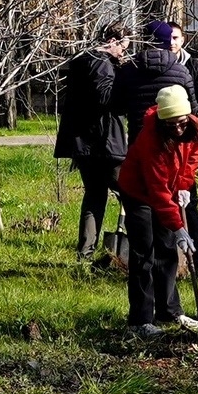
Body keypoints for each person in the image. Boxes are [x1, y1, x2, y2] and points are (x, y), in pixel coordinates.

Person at [117, 84, 198, 335]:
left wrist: (185, 185)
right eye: (171, 125)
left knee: (166, 251)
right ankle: (140, 321)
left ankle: (169, 311)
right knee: (144, 252)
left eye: (181, 123)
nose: (177, 129)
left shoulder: (194, 129)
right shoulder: (151, 139)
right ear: (161, 121)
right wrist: (178, 227)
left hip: (167, 192)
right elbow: (157, 191)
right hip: (138, 192)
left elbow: (192, 159)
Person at [55, 22, 131, 260]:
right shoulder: (102, 65)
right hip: (104, 144)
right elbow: (108, 100)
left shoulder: (80, 62)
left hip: (83, 144)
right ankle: (141, 249)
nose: (123, 54)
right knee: (132, 193)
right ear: (111, 42)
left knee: (94, 196)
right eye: (122, 48)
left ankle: (85, 253)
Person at [110, 19, 198, 142]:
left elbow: (117, 107)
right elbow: (191, 111)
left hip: (140, 140)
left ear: (144, 41)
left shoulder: (127, 71)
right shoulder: (182, 72)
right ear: (167, 41)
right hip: (173, 138)